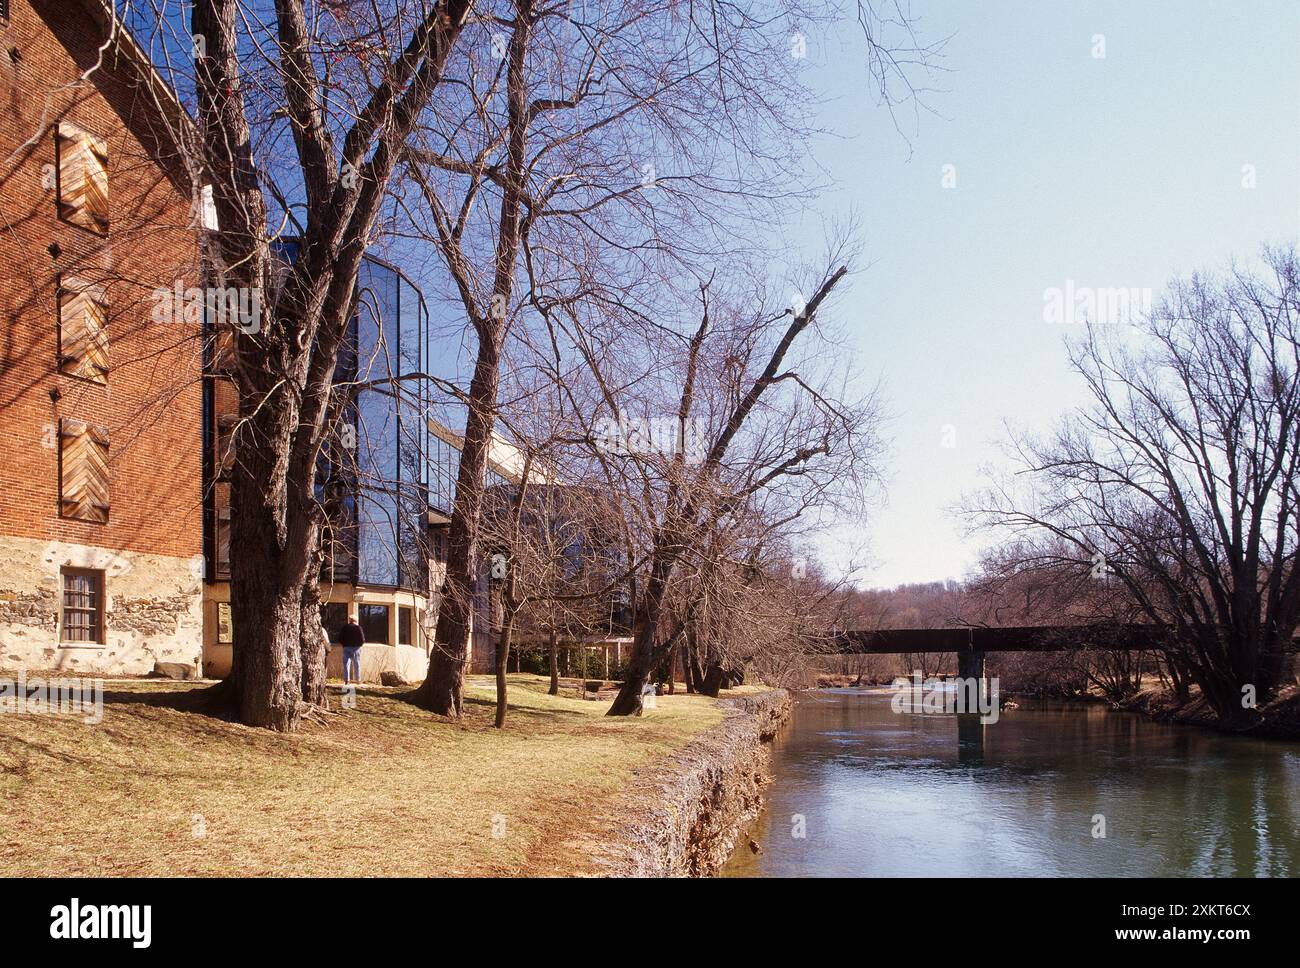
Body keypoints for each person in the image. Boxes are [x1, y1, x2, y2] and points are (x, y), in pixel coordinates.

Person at [339, 616, 364, 685]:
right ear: (356, 620)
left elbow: (340, 638)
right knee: (357, 664)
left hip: (346, 647)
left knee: (346, 664)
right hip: (356, 648)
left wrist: (344, 644)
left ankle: (347, 680)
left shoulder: (344, 628)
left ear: (349, 620)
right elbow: (362, 639)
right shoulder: (358, 628)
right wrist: (359, 645)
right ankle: (358, 680)